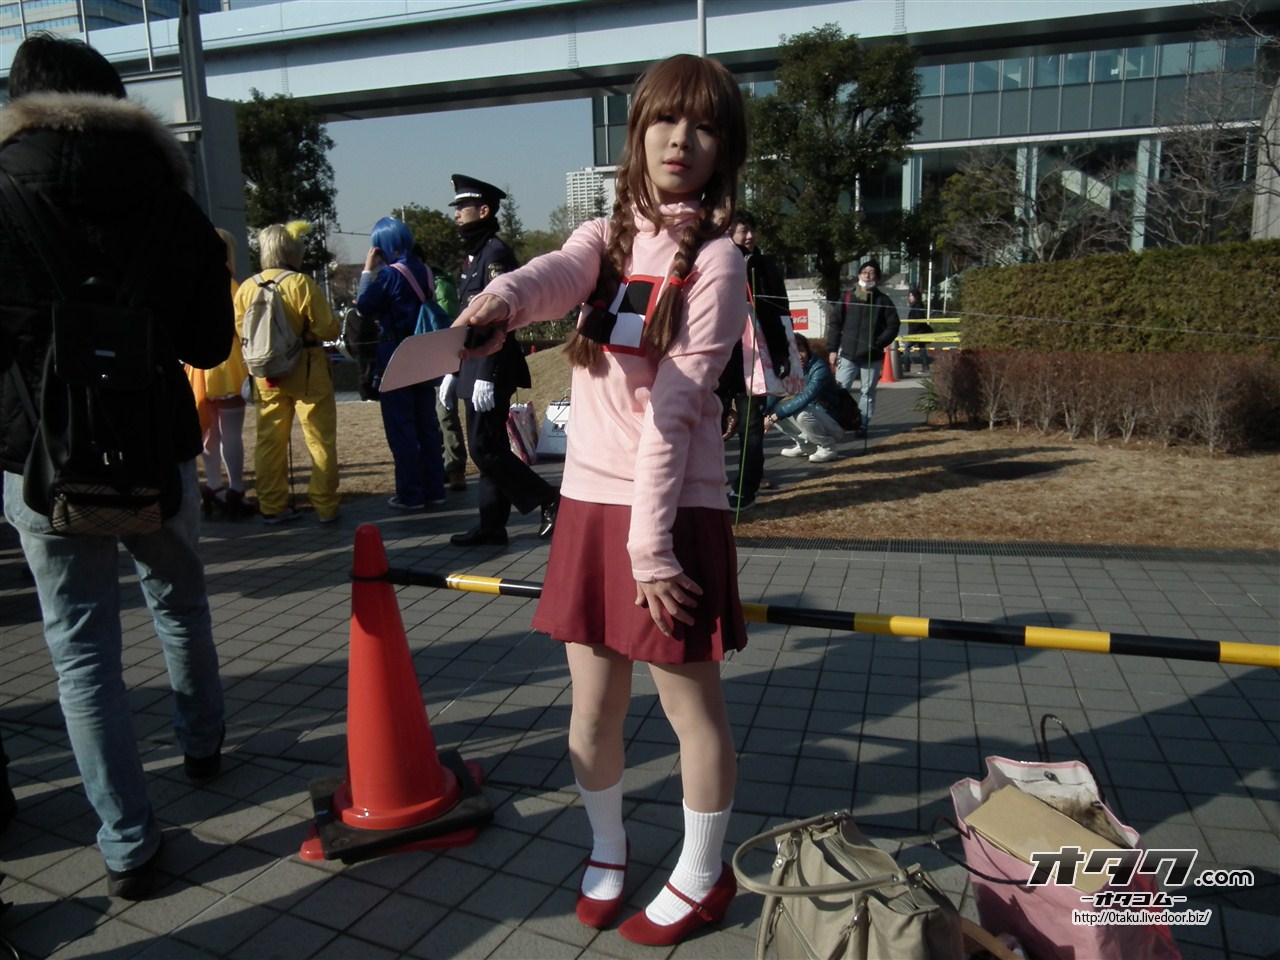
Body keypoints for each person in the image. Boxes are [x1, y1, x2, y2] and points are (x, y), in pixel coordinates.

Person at [453, 53, 749, 946]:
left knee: (691, 712)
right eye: (665, 119)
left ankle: (703, 875)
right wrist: (499, 302)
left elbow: (674, 415)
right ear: (637, 131)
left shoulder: (720, 263)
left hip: (671, 513)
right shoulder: (607, 236)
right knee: (591, 714)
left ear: (724, 148)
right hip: (588, 505)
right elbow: (554, 272)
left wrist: (651, 550)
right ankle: (608, 848)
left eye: (703, 126)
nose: (680, 140)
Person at [0, 32, 230, 900]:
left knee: (82, 652)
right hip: (156, 449)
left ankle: (128, 842)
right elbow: (209, 342)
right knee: (180, 601)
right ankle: (202, 745)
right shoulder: (171, 201)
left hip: (39, 460)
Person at [443, 174, 557, 547]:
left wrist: (487, 374)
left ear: (484, 210)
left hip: (490, 365)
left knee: (484, 448)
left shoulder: (495, 254)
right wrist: (453, 368)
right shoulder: (474, 256)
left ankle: (549, 498)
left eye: (463, 207)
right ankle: (492, 524)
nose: (457, 214)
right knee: (489, 445)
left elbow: (502, 320)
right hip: (472, 364)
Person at [234, 222, 340, 523]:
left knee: (270, 441)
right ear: (294, 251)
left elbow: (240, 330)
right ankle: (325, 505)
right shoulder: (301, 283)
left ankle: (271, 506)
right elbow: (327, 328)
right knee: (319, 438)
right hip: (306, 368)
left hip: (265, 372)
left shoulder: (247, 287)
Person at [357, 218, 447, 511]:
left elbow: (364, 306)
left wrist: (367, 271)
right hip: (422, 350)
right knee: (427, 424)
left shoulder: (389, 275)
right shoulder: (425, 271)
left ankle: (411, 493)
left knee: (402, 426)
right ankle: (435, 488)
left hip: (394, 350)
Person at [716, 208, 790, 512]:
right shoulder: (714, 260)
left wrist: (783, 351)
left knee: (751, 425)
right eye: (742, 230)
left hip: (754, 357)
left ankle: (746, 489)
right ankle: (706, 482)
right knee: (712, 421)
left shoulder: (766, 265)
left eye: (751, 229)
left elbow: (781, 311)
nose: (749, 236)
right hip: (719, 355)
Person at [188, 227, 252, 519]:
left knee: (209, 431)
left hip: (198, 365)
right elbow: (240, 325)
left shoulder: (192, 284)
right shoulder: (231, 285)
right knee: (231, 433)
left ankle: (213, 486)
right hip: (228, 362)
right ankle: (235, 490)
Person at [827, 260, 899, 436]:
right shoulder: (847, 297)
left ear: (877, 277)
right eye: (864, 272)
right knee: (840, 390)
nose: (868, 275)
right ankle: (836, 423)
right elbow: (835, 324)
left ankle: (862, 425)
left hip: (872, 356)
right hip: (848, 354)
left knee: (867, 392)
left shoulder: (883, 300)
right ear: (859, 275)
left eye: (872, 272)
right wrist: (833, 349)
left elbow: (893, 325)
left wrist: (878, 343)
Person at [763, 334, 846, 462]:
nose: (799, 356)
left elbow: (806, 397)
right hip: (812, 414)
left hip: (833, 421)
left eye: (801, 350)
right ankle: (805, 445)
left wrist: (773, 418)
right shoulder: (791, 369)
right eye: (793, 352)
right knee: (775, 409)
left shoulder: (819, 368)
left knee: (799, 414)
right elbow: (778, 393)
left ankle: (827, 447)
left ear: (807, 350)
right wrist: (761, 415)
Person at [901, 286, 932, 375]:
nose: (910, 298)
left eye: (911, 296)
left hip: (916, 333)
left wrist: (913, 331)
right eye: (909, 296)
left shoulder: (917, 306)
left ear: (915, 296)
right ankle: (925, 366)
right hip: (918, 332)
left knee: (907, 348)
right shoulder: (916, 305)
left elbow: (919, 320)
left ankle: (907, 366)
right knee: (921, 349)